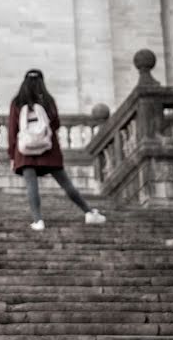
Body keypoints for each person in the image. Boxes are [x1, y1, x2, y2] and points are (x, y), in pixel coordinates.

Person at [8, 69, 106, 230]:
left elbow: (13, 130)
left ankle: (38, 220)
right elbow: (56, 124)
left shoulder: (17, 102)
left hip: (25, 151)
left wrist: (12, 155)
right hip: (48, 150)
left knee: (32, 186)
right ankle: (88, 212)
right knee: (66, 184)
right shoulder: (48, 100)